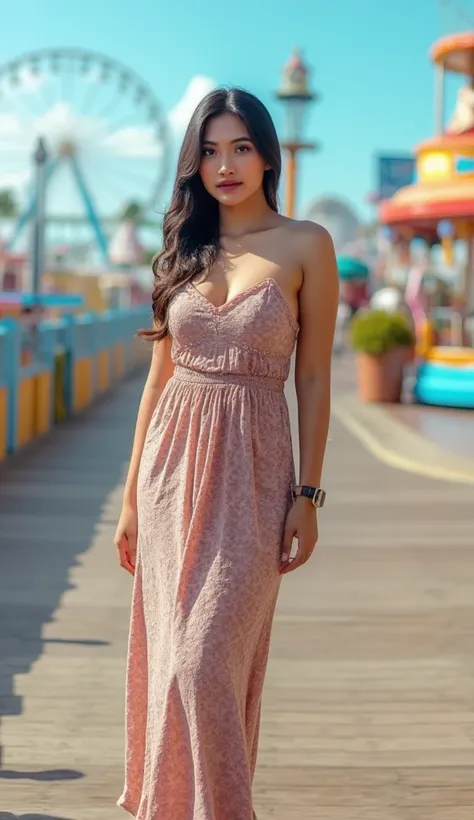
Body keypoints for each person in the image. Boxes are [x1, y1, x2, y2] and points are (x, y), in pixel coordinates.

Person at [114, 87, 339, 820]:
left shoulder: (307, 243)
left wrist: (309, 496)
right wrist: (127, 500)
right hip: (168, 475)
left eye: (240, 146)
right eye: (210, 150)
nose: (225, 164)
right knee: (170, 665)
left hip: (255, 470)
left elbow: (312, 376)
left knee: (204, 665)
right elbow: (158, 379)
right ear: (194, 164)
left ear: (268, 153)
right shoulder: (185, 247)